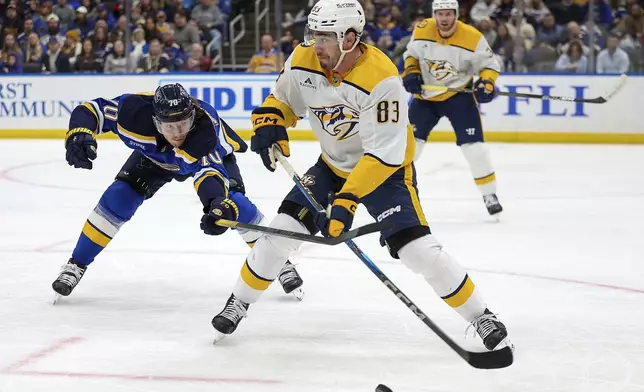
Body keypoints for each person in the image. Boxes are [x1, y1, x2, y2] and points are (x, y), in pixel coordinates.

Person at [210, 0, 512, 352]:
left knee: (418, 252)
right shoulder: (305, 57)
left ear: (350, 38)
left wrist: (347, 201)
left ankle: (480, 315)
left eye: (325, 37)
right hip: (332, 166)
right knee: (279, 234)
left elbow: (382, 154)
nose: (315, 44)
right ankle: (239, 302)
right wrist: (271, 121)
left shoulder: (382, 79)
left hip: (388, 172)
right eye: (313, 34)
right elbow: (282, 100)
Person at [51, 84, 304, 302]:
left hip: (212, 159)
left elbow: (209, 174)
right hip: (154, 158)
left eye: (183, 124)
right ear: (155, 121)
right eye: (169, 126)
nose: (177, 133)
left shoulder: (204, 132)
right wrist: (79, 132)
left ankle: (278, 262)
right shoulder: (132, 113)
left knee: (234, 204)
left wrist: (215, 203)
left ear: (193, 117)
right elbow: (92, 110)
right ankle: (76, 264)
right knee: (118, 197)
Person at [403, 0, 504, 217]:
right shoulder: (422, 30)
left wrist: (486, 83)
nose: (444, 19)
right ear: (434, 15)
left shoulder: (472, 37)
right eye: (440, 14)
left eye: (448, 14)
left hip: (459, 95)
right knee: (410, 148)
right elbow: (411, 55)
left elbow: (489, 66)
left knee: (475, 149)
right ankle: (395, 191)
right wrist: (411, 73)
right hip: (425, 97)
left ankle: (489, 194)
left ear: (456, 15)